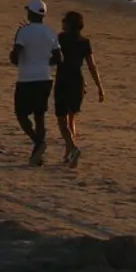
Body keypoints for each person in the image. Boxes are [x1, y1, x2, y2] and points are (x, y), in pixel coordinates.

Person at [9, 0, 60, 165]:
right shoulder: (50, 32)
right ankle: (38, 153)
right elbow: (59, 58)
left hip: (26, 78)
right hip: (45, 78)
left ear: (30, 13)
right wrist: (44, 63)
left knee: (21, 114)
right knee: (40, 115)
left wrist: (17, 47)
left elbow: (15, 56)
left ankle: (38, 142)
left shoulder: (24, 32)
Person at [53, 10, 104, 167]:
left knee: (61, 120)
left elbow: (53, 58)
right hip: (78, 82)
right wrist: (99, 87)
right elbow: (91, 66)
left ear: (68, 24)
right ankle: (68, 154)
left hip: (63, 82)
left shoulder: (60, 38)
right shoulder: (85, 42)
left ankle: (73, 149)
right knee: (71, 118)